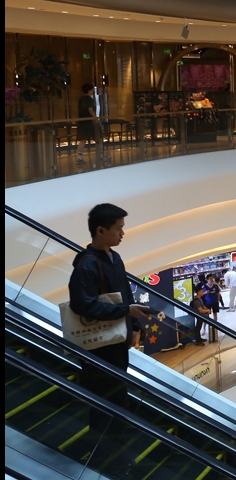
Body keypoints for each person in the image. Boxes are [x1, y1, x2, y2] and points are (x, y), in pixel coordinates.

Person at [67, 204, 151, 435]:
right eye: (118, 228)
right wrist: (126, 312)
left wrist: (134, 326)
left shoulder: (115, 258)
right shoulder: (87, 264)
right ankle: (107, 444)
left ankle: (115, 440)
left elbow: (125, 294)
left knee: (117, 392)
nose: (122, 233)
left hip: (116, 340)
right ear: (101, 230)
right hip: (99, 347)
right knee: (106, 400)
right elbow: (82, 305)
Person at [76, 82, 103, 166]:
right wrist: (96, 118)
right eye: (91, 90)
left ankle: (79, 157)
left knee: (82, 140)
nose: (92, 91)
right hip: (89, 122)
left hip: (82, 122)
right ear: (89, 90)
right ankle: (101, 155)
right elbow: (90, 110)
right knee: (98, 138)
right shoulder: (90, 99)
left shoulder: (81, 99)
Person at [201, 274, 222, 342]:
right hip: (207, 304)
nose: (212, 280)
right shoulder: (204, 286)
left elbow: (218, 294)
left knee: (215, 314)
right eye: (210, 279)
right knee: (206, 316)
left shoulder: (215, 285)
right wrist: (205, 292)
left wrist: (218, 301)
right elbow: (201, 294)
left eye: (212, 278)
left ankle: (215, 327)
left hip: (215, 303)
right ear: (207, 280)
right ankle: (204, 329)